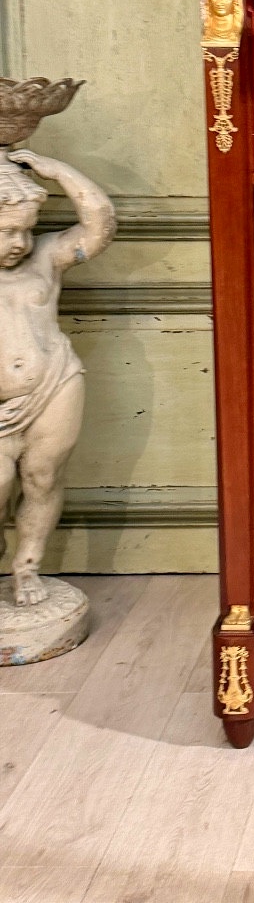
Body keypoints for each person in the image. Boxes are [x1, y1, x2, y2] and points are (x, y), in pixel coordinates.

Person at [0, 149, 115, 605]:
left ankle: (27, 567)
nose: (19, 242)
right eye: (7, 231)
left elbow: (100, 226)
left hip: (55, 383)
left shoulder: (45, 258)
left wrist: (58, 172)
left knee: (43, 477)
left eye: (26, 230)